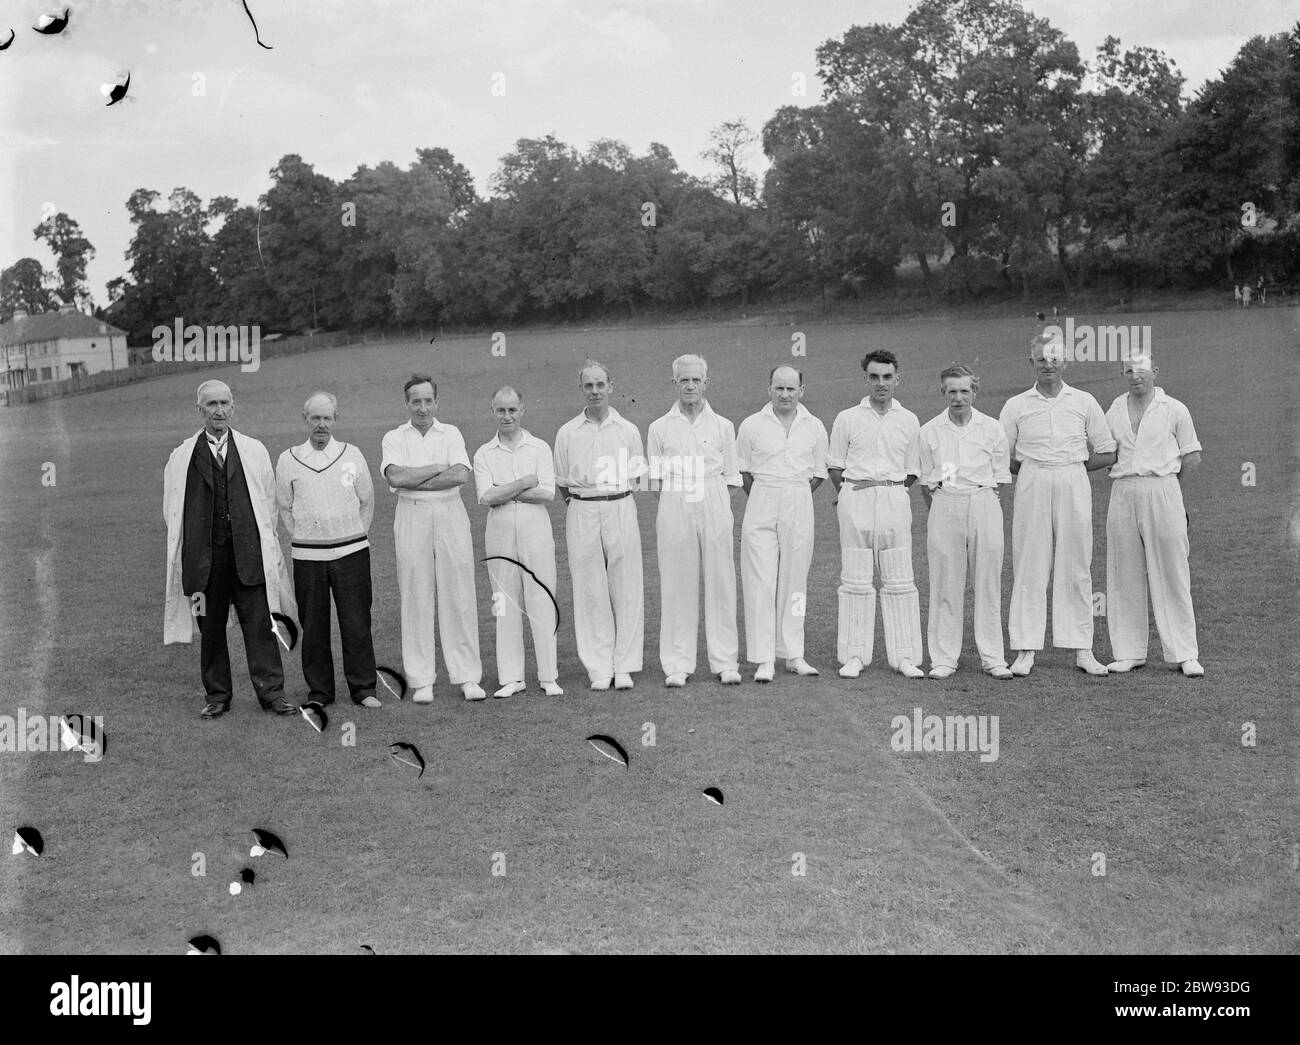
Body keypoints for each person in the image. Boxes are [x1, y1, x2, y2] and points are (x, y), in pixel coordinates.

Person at [162, 379, 298, 719]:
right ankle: (218, 695)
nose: (218, 410)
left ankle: (272, 694)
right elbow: (172, 510)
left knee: (260, 625)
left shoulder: (254, 450)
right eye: (211, 404)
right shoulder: (181, 457)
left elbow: (268, 503)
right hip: (204, 562)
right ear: (200, 410)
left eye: (224, 403)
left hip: (248, 556)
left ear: (233, 407)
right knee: (210, 629)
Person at [999, 334, 1117, 676]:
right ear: (1031, 363)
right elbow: (1000, 454)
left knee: (1076, 563)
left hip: (1073, 480)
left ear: (1064, 361)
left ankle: (1082, 649)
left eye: (1054, 359)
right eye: (1041, 359)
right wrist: (1035, 469)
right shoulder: (1016, 405)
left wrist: (1073, 467)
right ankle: (1025, 650)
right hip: (1032, 481)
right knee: (1029, 563)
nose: (1048, 365)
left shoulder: (1083, 401)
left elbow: (1108, 450)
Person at [380, 375, 485, 703]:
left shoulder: (451, 432)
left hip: (450, 513)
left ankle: (467, 676)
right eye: (416, 401)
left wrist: (416, 476)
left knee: (459, 593)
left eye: (428, 401)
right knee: (416, 594)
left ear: (436, 402)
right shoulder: (394, 437)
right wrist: (437, 468)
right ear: (406, 404)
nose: (423, 408)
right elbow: (395, 476)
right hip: (411, 516)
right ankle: (421, 679)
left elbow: (460, 475)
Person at [275, 391, 380, 710]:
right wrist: (309, 536)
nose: (321, 424)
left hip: (352, 555)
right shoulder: (288, 458)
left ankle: (363, 689)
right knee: (315, 626)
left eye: (327, 418)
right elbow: (285, 508)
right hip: (308, 558)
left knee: (356, 621)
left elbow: (367, 501)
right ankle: (320, 692)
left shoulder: (352, 454)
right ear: (304, 418)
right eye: (315, 417)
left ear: (336, 419)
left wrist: (349, 535)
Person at [826, 349, 924, 680]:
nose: (881, 383)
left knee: (899, 578)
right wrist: (851, 494)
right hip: (855, 499)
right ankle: (854, 655)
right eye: (874, 377)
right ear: (864, 379)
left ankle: (906, 656)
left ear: (897, 379)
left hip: (895, 500)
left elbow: (913, 470)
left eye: (887, 377)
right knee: (855, 579)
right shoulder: (847, 418)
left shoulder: (909, 420)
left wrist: (891, 490)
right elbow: (835, 465)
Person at [1103, 356, 1204, 677]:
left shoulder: (1175, 408)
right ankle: (1129, 652)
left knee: (1172, 571)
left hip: (1164, 489)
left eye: (1142, 371)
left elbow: (1192, 457)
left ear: (1155, 373)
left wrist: (1172, 493)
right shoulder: (1114, 409)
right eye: (1130, 371)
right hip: (1123, 491)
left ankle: (1185, 653)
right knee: (1124, 572)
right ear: (1123, 374)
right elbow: (1105, 452)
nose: (1136, 377)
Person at [646, 354, 742, 688]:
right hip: (674, 499)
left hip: (714, 496)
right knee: (676, 581)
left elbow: (731, 477)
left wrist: (710, 503)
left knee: (721, 580)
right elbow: (655, 482)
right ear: (675, 383)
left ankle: (725, 661)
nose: (690, 386)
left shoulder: (723, 426)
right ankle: (677, 663)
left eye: (696, 380)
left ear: (706, 382)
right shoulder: (659, 427)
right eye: (684, 380)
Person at [915, 365, 1013, 679]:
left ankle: (993, 657)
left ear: (974, 392)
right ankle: (944, 658)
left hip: (984, 502)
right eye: (952, 391)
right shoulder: (929, 430)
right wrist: (947, 505)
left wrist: (979, 505)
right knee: (945, 583)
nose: (959, 398)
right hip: (945, 503)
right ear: (943, 392)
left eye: (964, 391)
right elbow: (927, 482)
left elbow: (999, 477)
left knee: (987, 582)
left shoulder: (992, 428)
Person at [553, 359, 645, 691]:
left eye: (600, 384)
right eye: (588, 386)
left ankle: (625, 665)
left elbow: (635, 476)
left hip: (620, 505)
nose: (595, 391)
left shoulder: (628, 430)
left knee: (626, 585)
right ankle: (598, 666)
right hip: (582, 509)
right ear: (582, 390)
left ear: (611, 386)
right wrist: (583, 505)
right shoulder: (567, 432)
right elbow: (562, 480)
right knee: (590, 588)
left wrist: (612, 500)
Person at [736, 365, 829, 681]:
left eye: (791, 388)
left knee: (795, 581)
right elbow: (743, 471)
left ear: (802, 390)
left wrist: (795, 495)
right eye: (779, 388)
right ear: (769, 389)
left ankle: (793, 654)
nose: (785, 394)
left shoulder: (814, 426)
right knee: (760, 581)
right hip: (762, 498)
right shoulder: (751, 425)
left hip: (799, 500)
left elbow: (818, 474)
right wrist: (765, 497)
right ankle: (763, 658)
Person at [472, 386, 563, 698]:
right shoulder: (484, 453)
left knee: (541, 596)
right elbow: (486, 496)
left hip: (535, 526)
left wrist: (504, 490)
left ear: (522, 410)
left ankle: (548, 675)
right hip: (498, 530)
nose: (507, 416)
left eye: (512, 410)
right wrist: (524, 482)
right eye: (501, 410)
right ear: (493, 411)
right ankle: (511, 677)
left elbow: (547, 493)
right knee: (504, 600)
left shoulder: (539, 447)